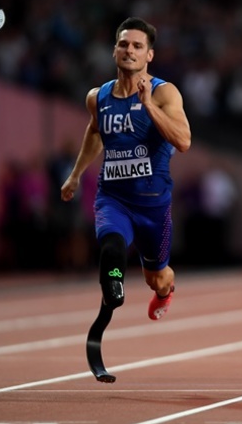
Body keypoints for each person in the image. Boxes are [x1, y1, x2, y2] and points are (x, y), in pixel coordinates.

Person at [61, 17, 191, 321]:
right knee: (111, 242)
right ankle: (113, 282)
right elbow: (95, 132)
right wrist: (75, 174)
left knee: (156, 277)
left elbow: (183, 140)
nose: (129, 50)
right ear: (114, 51)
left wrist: (148, 106)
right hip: (113, 197)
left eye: (137, 46)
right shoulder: (98, 97)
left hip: (153, 204)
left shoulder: (164, 93)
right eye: (123, 44)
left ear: (149, 55)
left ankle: (164, 292)